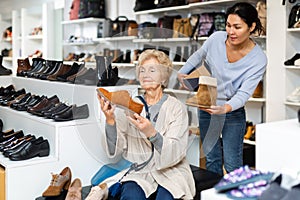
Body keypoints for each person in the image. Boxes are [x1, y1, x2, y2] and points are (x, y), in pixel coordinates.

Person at [177, 2, 267, 175]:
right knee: (212, 160)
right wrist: (183, 73)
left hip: (232, 112)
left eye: (237, 27)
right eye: (228, 25)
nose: (231, 32)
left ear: (252, 26)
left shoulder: (258, 59)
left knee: (233, 164)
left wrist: (224, 108)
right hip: (206, 105)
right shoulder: (216, 38)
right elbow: (199, 55)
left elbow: (244, 93)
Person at [98, 49, 195, 200]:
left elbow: (176, 151)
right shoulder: (130, 105)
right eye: (142, 70)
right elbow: (115, 151)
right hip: (140, 171)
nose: (145, 74)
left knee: (166, 197)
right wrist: (110, 120)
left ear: (164, 78)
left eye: (152, 70)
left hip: (170, 170)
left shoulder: (176, 108)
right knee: (131, 196)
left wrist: (152, 134)